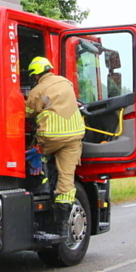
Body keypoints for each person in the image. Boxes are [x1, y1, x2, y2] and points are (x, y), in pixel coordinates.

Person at [25, 56, 85, 236]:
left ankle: (41, 183)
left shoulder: (38, 90)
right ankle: (61, 225)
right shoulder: (66, 82)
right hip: (74, 136)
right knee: (66, 180)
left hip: (50, 137)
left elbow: (27, 113)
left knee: (35, 156)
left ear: (35, 74)